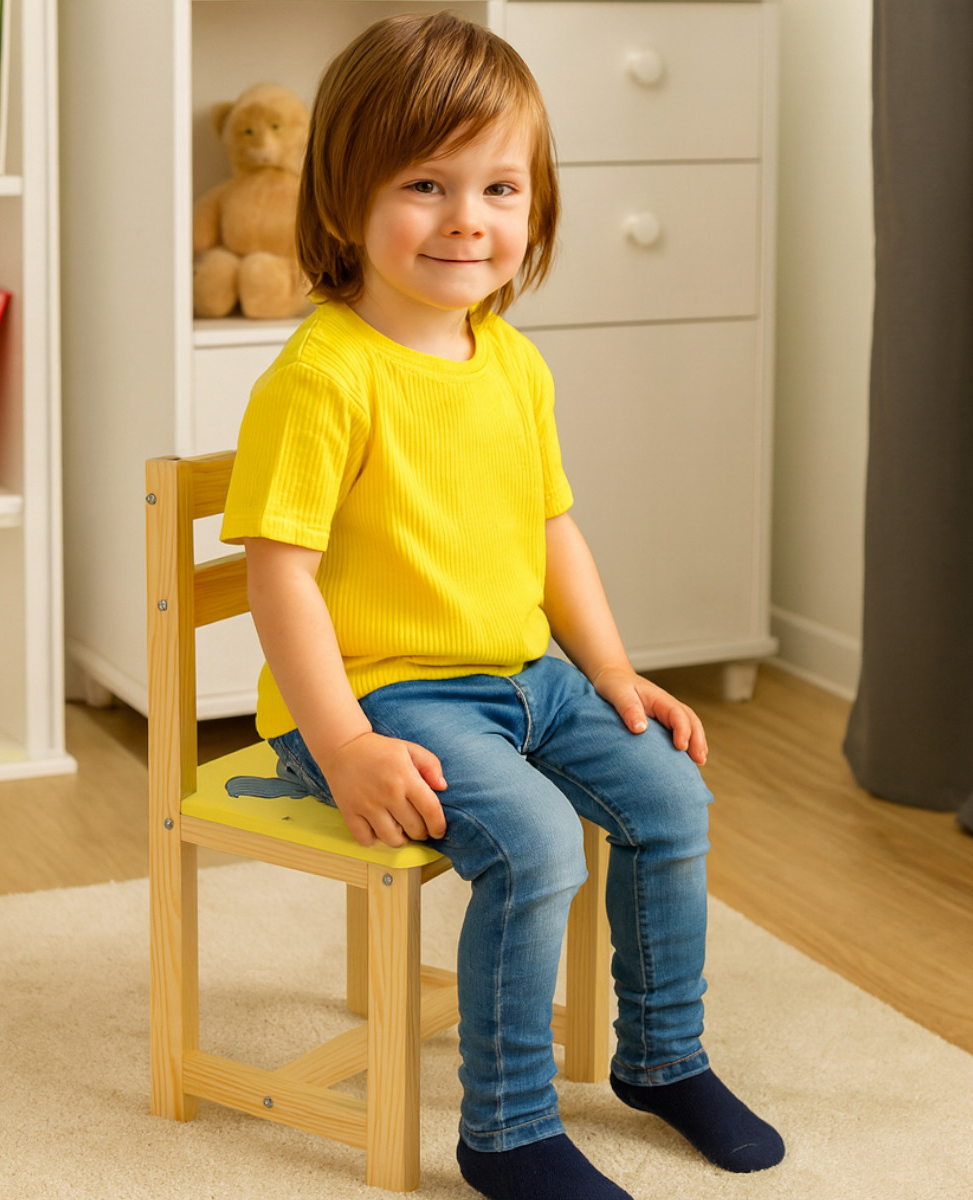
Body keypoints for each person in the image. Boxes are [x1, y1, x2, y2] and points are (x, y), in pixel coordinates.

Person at [221, 12, 784, 1199]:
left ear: (537, 205)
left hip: (528, 679)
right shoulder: (322, 377)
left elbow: (550, 531)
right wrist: (346, 743)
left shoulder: (513, 362)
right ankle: (511, 1128)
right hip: (381, 697)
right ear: (344, 198)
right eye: (425, 184)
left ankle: (665, 1058)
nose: (467, 218)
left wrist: (614, 673)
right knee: (533, 844)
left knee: (671, 796)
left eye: (500, 187)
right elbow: (280, 579)